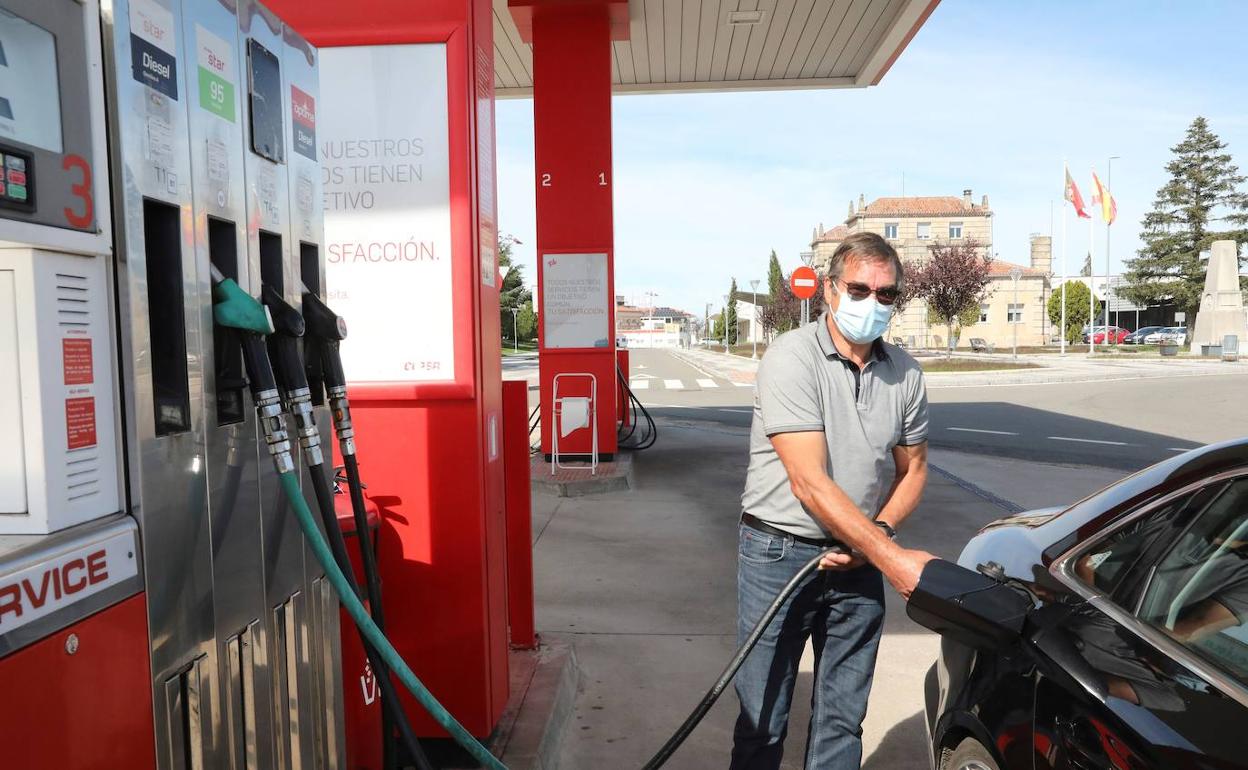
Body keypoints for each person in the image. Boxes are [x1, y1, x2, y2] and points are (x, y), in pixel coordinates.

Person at [732, 232, 936, 769]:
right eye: (859, 288)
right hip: (780, 556)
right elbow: (810, 482)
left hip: (861, 558)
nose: (872, 302)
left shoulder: (905, 373)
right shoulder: (792, 358)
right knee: (762, 719)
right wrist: (893, 560)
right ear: (829, 289)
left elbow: (913, 468)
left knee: (843, 722)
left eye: (886, 294)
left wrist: (881, 536)